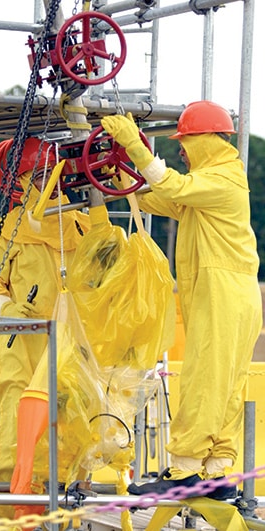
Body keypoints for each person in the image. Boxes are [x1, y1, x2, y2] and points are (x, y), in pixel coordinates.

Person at [101, 101, 263, 500]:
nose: (181, 151)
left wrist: (134, 147)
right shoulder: (212, 182)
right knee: (224, 383)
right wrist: (117, 174)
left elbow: (171, 186)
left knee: (205, 380)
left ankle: (185, 470)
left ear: (206, 139)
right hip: (231, 293)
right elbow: (163, 199)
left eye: (185, 141)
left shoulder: (222, 179)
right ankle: (216, 472)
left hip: (223, 291)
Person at [0, 137, 92, 521]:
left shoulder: (82, 223)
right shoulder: (9, 227)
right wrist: (9, 309)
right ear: (22, 180)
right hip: (20, 348)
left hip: (70, 350)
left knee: (68, 442)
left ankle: (60, 523)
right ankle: (3, 522)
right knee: (12, 442)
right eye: (40, 175)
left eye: (53, 174)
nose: (49, 183)